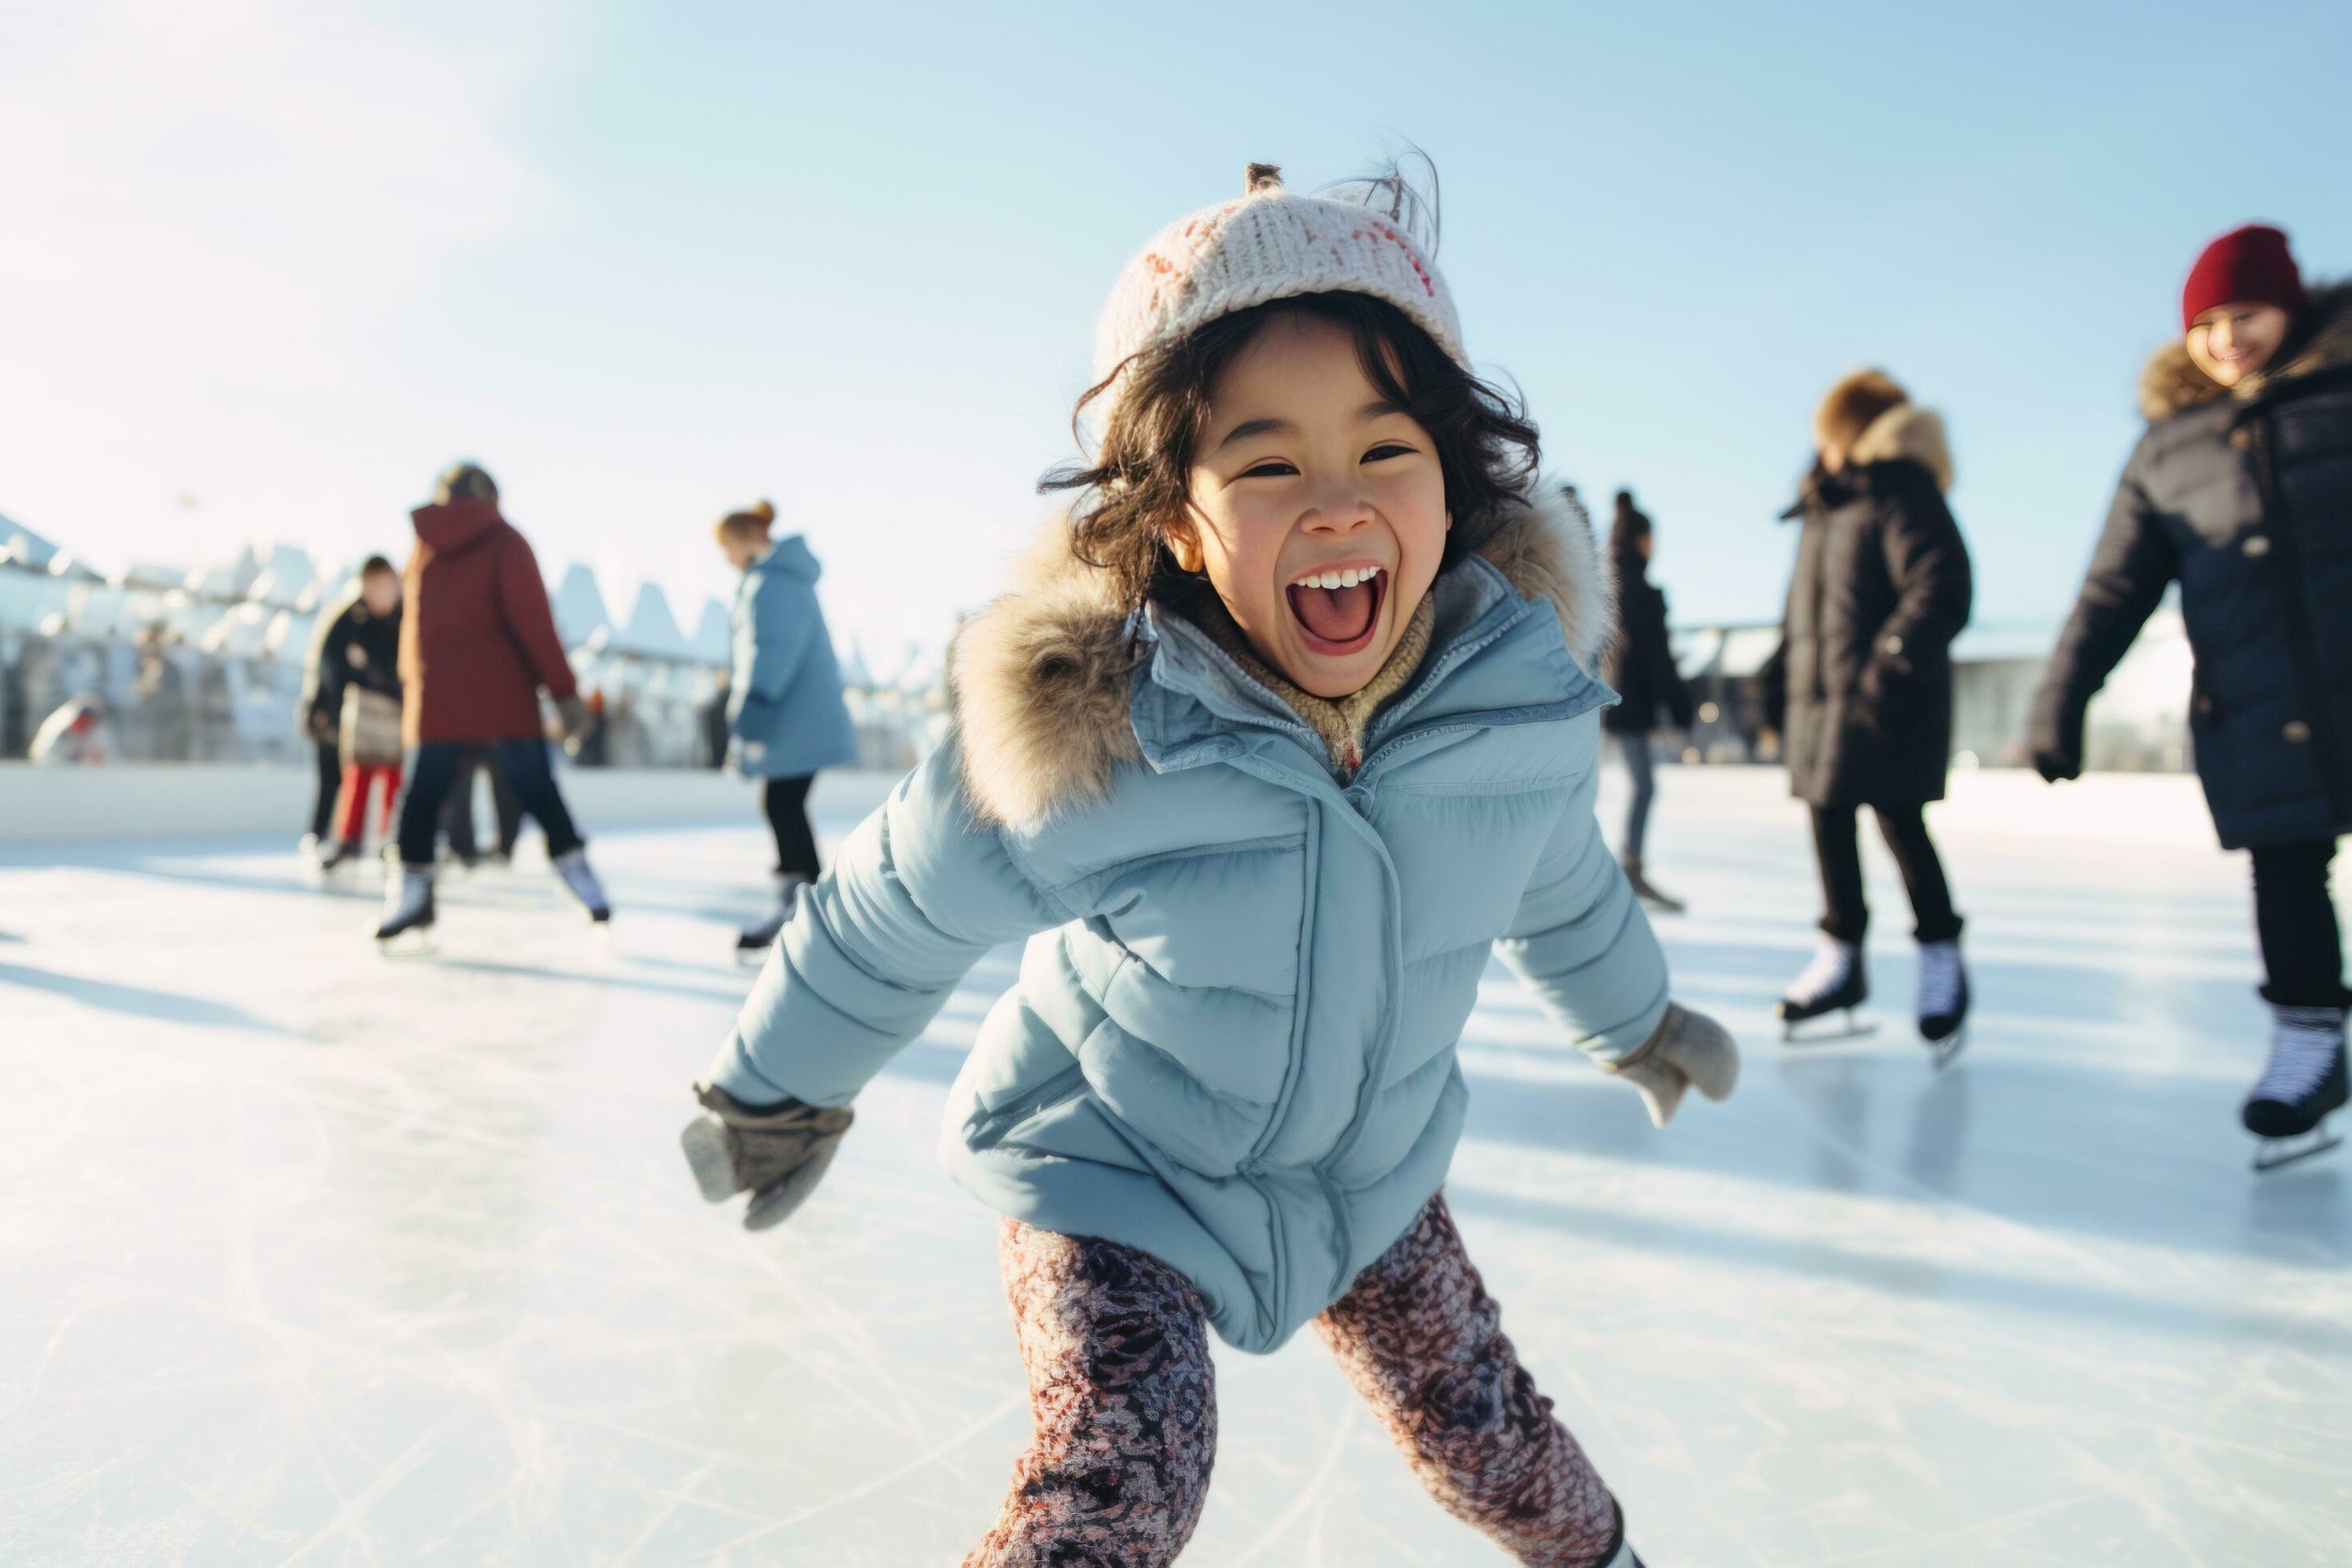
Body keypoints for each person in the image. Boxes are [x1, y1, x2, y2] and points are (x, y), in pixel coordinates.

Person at [679, 163, 1738, 1568]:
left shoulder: (1510, 714)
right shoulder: (1102, 734)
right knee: (1122, 1481)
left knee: (1496, 1436)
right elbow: (896, 907)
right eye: (1269, 465)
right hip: (1114, 1165)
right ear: (1174, 517)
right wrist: (778, 1090)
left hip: (1366, 1173)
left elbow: (1562, 888)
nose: (1339, 506)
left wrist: (1638, 1019)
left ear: (1458, 480)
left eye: (1385, 450)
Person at [2030, 225, 2351, 1169]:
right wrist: (2062, 698)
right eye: (2205, 324)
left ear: (2290, 306)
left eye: (2242, 315)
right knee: (2286, 871)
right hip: (2257, 703)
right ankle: (2310, 1042)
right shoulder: (2168, 449)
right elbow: (2112, 589)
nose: (2224, 339)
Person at [1768, 370, 1974, 1058]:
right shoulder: (1825, 507)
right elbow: (1804, 609)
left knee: (1899, 824)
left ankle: (1941, 957)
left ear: (1850, 436)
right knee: (1827, 818)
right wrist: (1776, 681)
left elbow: (1943, 584)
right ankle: (1841, 961)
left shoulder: (1898, 489)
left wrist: (1886, 666)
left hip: (1887, 702)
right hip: (1820, 702)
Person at [376, 462, 610, 944]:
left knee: (420, 800)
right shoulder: (507, 541)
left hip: (437, 700)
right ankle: (582, 880)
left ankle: (411, 894)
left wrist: (411, 690)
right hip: (502, 700)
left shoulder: (423, 548)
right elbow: (535, 625)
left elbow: (412, 632)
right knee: (537, 790)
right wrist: (564, 693)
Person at [714, 499, 857, 955]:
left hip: (788, 717)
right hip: (801, 717)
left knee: (782, 804)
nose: (725, 559)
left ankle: (805, 909)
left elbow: (771, 650)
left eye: (724, 548)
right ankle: (809, 907)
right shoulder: (785, 578)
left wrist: (754, 705)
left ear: (742, 540)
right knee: (784, 804)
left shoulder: (770, 582)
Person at [1601, 489, 1694, 912]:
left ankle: (1618, 868)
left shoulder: (1604, 582)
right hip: (1629, 703)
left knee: (1593, 786)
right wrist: (1679, 709)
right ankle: (1629, 868)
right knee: (1643, 785)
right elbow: (1658, 656)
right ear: (1641, 539)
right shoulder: (1640, 590)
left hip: (1598, 702)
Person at [304, 556, 404, 874]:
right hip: (358, 711)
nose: (382, 592)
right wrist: (320, 706)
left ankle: (394, 840)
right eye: (375, 585)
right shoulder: (349, 619)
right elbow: (328, 668)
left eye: (388, 585)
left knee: (394, 779)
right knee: (357, 775)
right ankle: (348, 839)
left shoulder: (408, 618)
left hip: (398, 712)